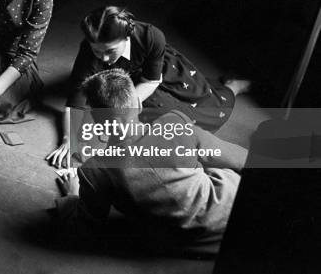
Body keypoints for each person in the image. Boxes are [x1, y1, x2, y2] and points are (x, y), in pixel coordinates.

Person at [54, 68, 248, 256]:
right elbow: (239, 159)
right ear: (138, 105)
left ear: (97, 120)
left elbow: (84, 231)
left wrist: (72, 195)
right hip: (231, 209)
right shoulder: (174, 123)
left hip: (195, 245)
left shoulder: (95, 171)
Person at [47, 6, 250, 167]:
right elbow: (76, 99)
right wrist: (69, 139)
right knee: (149, 124)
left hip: (158, 76)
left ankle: (232, 87)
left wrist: (120, 110)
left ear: (127, 38)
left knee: (201, 115)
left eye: (110, 50)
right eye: (98, 52)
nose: (105, 59)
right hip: (122, 81)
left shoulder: (151, 36)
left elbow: (151, 80)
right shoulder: (89, 51)